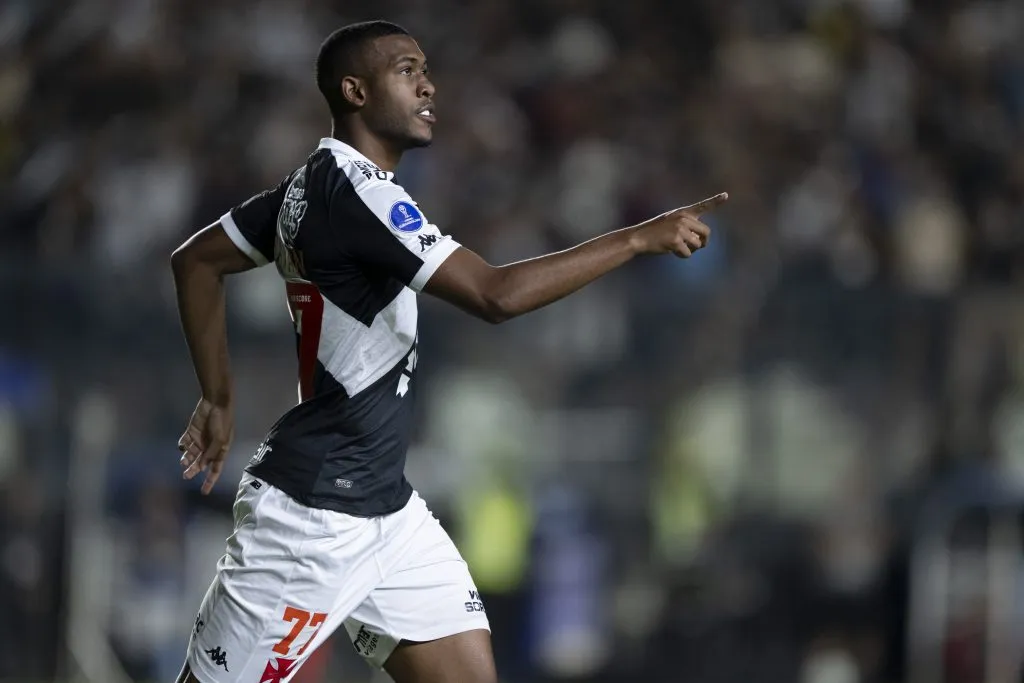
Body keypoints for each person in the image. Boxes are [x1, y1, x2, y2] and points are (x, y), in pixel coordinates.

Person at [170, 19, 727, 683]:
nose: (428, 84)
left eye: (425, 68)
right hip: (310, 518)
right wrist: (637, 240)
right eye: (406, 69)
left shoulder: (305, 187)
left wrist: (217, 395)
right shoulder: (363, 197)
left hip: (386, 509)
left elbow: (197, 260)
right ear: (354, 90)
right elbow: (496, 295)